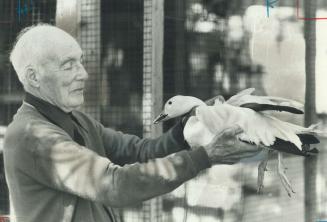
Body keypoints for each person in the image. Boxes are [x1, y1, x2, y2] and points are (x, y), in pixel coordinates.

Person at [3, 24, 261, 222]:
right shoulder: (33, 137)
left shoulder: (76, 120)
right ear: (33, 77)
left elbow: (140, 152)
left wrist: (187, 126)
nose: (83, 73)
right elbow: (116, 185)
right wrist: (205, 157)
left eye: (80, 61)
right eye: (68, 65)